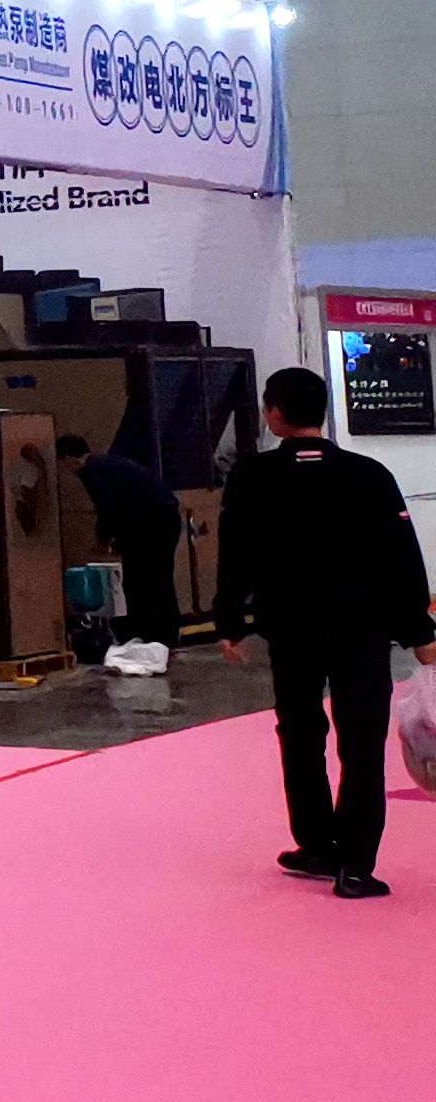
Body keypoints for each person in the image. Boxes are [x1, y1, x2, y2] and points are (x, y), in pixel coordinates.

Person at [213, 367, 434, 900]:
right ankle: (355, 864)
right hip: (362, 627)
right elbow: (401, 559)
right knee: (362, 742)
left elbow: (234, 555)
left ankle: (315, 845)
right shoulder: (368, 474)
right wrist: (419, 631)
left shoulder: (253, 476)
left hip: (290, 627)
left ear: (274, 414)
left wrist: (230, 623)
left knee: (299, 732)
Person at [58, 431, 185, 650]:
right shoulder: (109, 463)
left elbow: (108, 508)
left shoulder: (91, 470)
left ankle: (143, 634)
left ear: (69, 458)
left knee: (138, 580)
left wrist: (103, 539)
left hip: (149, 523)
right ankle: (167, 635)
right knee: (160, 578)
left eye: (62, 462)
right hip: (165, 517)